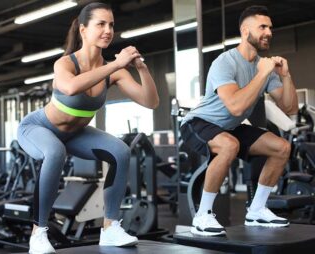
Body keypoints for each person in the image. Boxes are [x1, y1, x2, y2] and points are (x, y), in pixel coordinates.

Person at [17, 2, 159, 253]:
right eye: (101, 24)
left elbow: (151, 101)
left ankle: (111, 227)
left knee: (121, 151)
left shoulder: (112, 72)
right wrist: (116, 64)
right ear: (83, 30)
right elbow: (70, 87)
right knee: (54, 152)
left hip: (75, 134)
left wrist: (141, 68)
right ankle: (38, 233)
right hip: (40, 128)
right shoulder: (65, 63)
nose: (108, 30)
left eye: (111, 25)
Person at [180, 5, 298, 236]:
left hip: (230, 126)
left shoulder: (264, 67)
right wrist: (263, 73)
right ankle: (202, 216)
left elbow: (290, 107)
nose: (269, 32)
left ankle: (257, 210)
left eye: (270, 28)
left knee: (282, 147)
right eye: (262, 27)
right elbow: (235, 106)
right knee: (229, 145)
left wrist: (286, 76)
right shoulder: (225, 62)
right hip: (199, 123)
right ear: (245, 31)